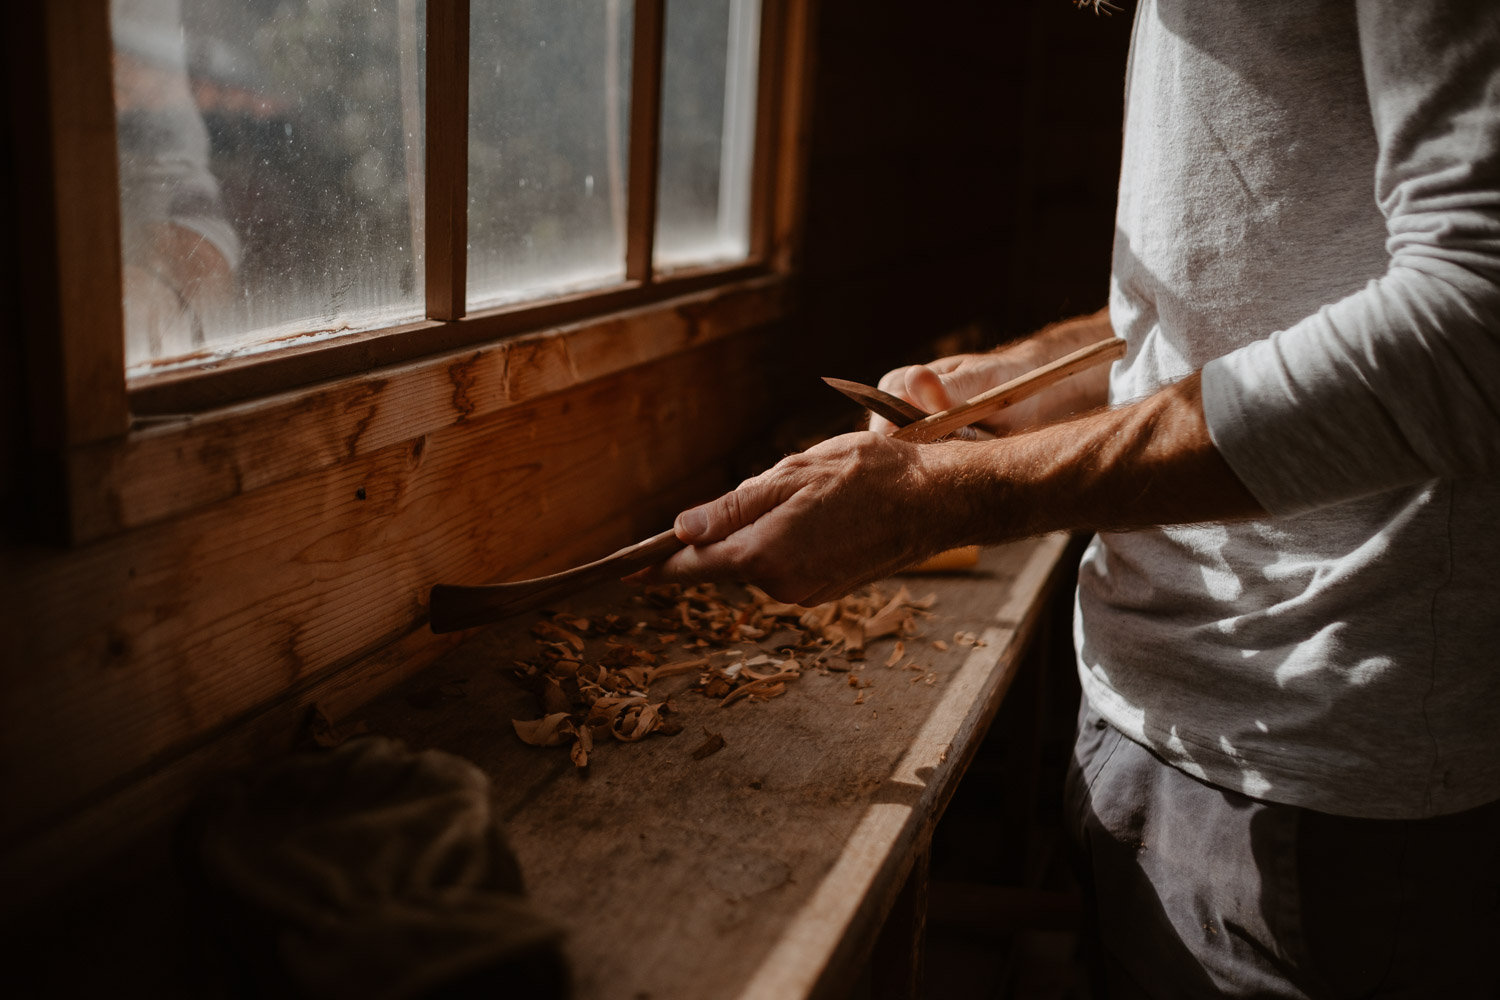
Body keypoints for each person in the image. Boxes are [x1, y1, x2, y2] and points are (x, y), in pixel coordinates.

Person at [643, 1, 1500, 995]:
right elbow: (1256, 284)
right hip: (1154, 710)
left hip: (1321, 774)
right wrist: (1030, 374)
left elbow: (1472, 325)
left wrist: (946, 496)